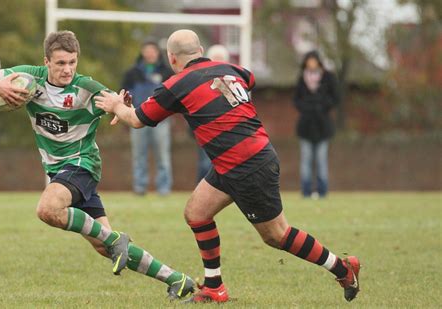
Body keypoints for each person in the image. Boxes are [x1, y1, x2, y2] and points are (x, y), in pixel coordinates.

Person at [95, 29, 361, 303]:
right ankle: (214, 288)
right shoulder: (233, 69)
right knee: (197, 213)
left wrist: (116, 104)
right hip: (237, 160)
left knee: (276, 235)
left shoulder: (177, 84)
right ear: (200, 51)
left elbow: (138, 120)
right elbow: (249, 79)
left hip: (246, 164)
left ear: (172, 58)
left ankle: (343, 269)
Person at [0, 30, 194, 299]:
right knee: (104, 246)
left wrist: (120, 107)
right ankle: (178, 280)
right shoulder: (30, 77)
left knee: (48, 209)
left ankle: (115, 239)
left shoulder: (87, 87)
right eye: (61, 63)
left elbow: (119, 104)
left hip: (82, 164)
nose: (68, 69)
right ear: (46, 62)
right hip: (58, 171)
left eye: (72, 62)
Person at [122, 41, 173, 195]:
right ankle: (139, 187)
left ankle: (164, 188)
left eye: (153, 50)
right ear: (142, 53)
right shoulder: (132, 73)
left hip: (161, 121)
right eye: (147, 50)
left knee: (163, 155)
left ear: (158, 52)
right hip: (137, 118)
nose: (150, 53)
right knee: (139, 155)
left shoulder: (167, 72)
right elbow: (123, 94)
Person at [293, 50, 339, 198]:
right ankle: (306, 191)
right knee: (305, 160)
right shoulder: (301, 79)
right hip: (305, 127)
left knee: (321, 160)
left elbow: (335, 98)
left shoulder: (328, 78)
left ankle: (322, 191)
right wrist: (307, 108)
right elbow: (296, 100)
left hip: (322, 126)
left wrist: (321, 107)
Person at [192, 44, 231, 182]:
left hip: (226, 129)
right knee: (205, 163)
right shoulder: (200, 78)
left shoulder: (232, 80)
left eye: (220, 59)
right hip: (205, 128)